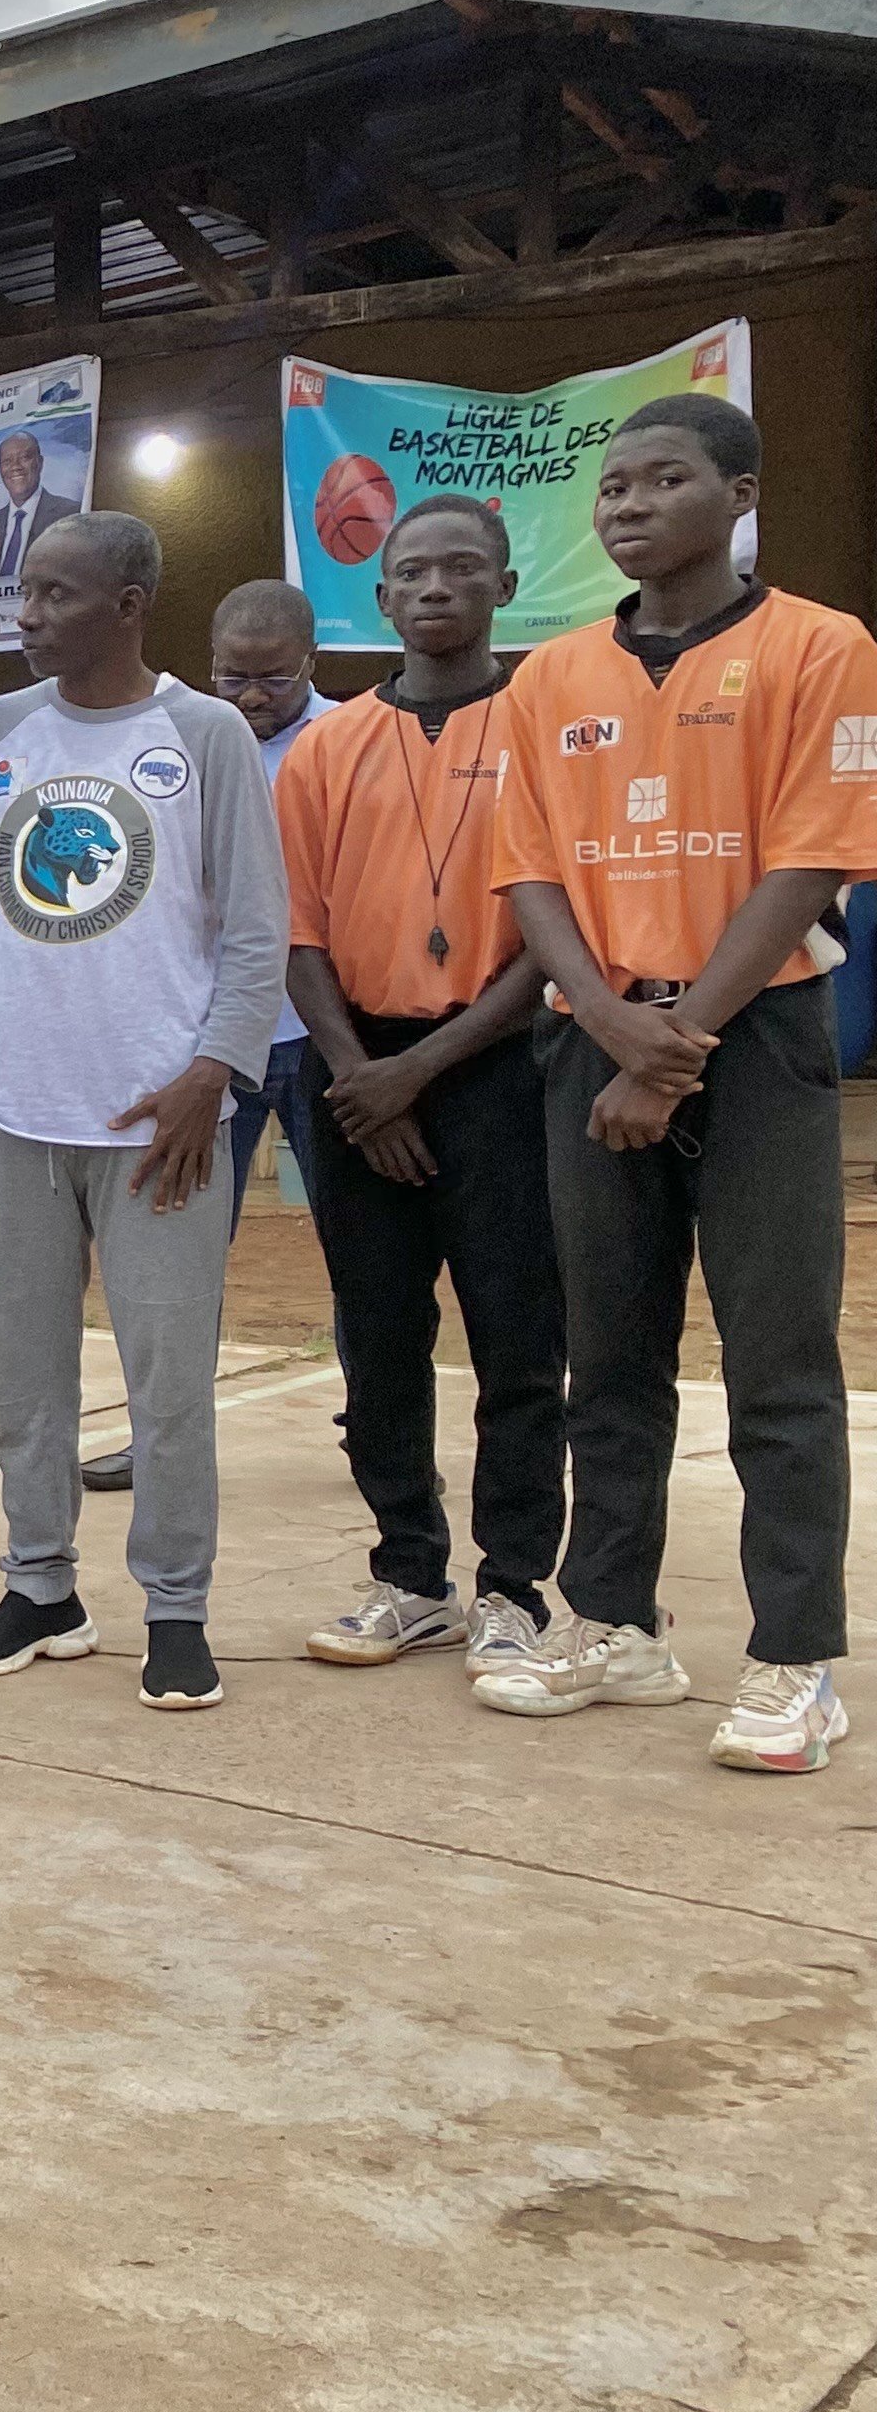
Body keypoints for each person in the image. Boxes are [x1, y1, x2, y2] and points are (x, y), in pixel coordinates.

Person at [479, 395, 874, 1771]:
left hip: (755, 1037)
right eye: (612, 487)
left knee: (778, 1361)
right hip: (595, 1037)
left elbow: (813, 858)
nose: (627, 505)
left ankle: (794, 1660)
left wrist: (680, 1041)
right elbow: (527, 870)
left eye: (663, 480)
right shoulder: (550, 678)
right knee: (612, 1353)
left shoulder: (823, 647)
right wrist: (605, 1021)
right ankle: (615, 1623)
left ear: (742, 494)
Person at [0, 513, 288, 1712]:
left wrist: (212, 1075)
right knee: (23, 1382)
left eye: (54, 595)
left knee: (168, 1382)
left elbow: (254, 930)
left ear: (128, 605)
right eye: (23, 593)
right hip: (13, 1114)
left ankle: (174, 1609)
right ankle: (42, 1589)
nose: (25, 615)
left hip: (158, 1123)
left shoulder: (203, 733)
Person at [275, 494, 561, 1677]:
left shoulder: (549, 724)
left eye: (462, 568)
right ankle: (408, 1573)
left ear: (502, 585)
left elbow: (558, 936)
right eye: (412, 572)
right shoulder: (327, 746)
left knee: (517, 1335)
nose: (436, 587)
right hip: (355, 1069)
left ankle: (514, 1586)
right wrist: (362, 1079)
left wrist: (418, 1074)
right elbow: (296, 937)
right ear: (379, 599)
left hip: (500, 1063)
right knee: (380, 1339)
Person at [82, 575, 343, 1492]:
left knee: (357, 1243)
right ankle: (158, 1434)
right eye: (234, 675)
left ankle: (379, 1428)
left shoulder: (346, 740)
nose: (252, 695)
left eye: (273, 677)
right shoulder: (172, 737)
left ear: (310, 663)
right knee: (176, 1255)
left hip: (321, 1036)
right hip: (201, 1050)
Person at [0, 429, 80, 583]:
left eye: (24, 458)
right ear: (0, 468)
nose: (15, 466)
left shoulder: (72, 515)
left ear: (40, 462)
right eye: (7, 461)